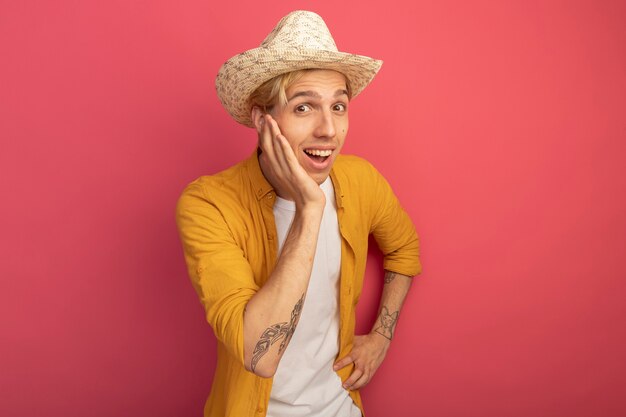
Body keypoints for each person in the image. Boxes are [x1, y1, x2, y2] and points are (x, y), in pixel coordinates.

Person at [176, 10, 421, 417]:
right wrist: (309, 209)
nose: (328, 129)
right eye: (304, 108)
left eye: (338, 107)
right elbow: (261, 356)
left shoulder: (361, 181)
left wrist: (381, 336)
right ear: (263, 118)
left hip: (340, 407)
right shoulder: (208, 204)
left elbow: (406, 251)